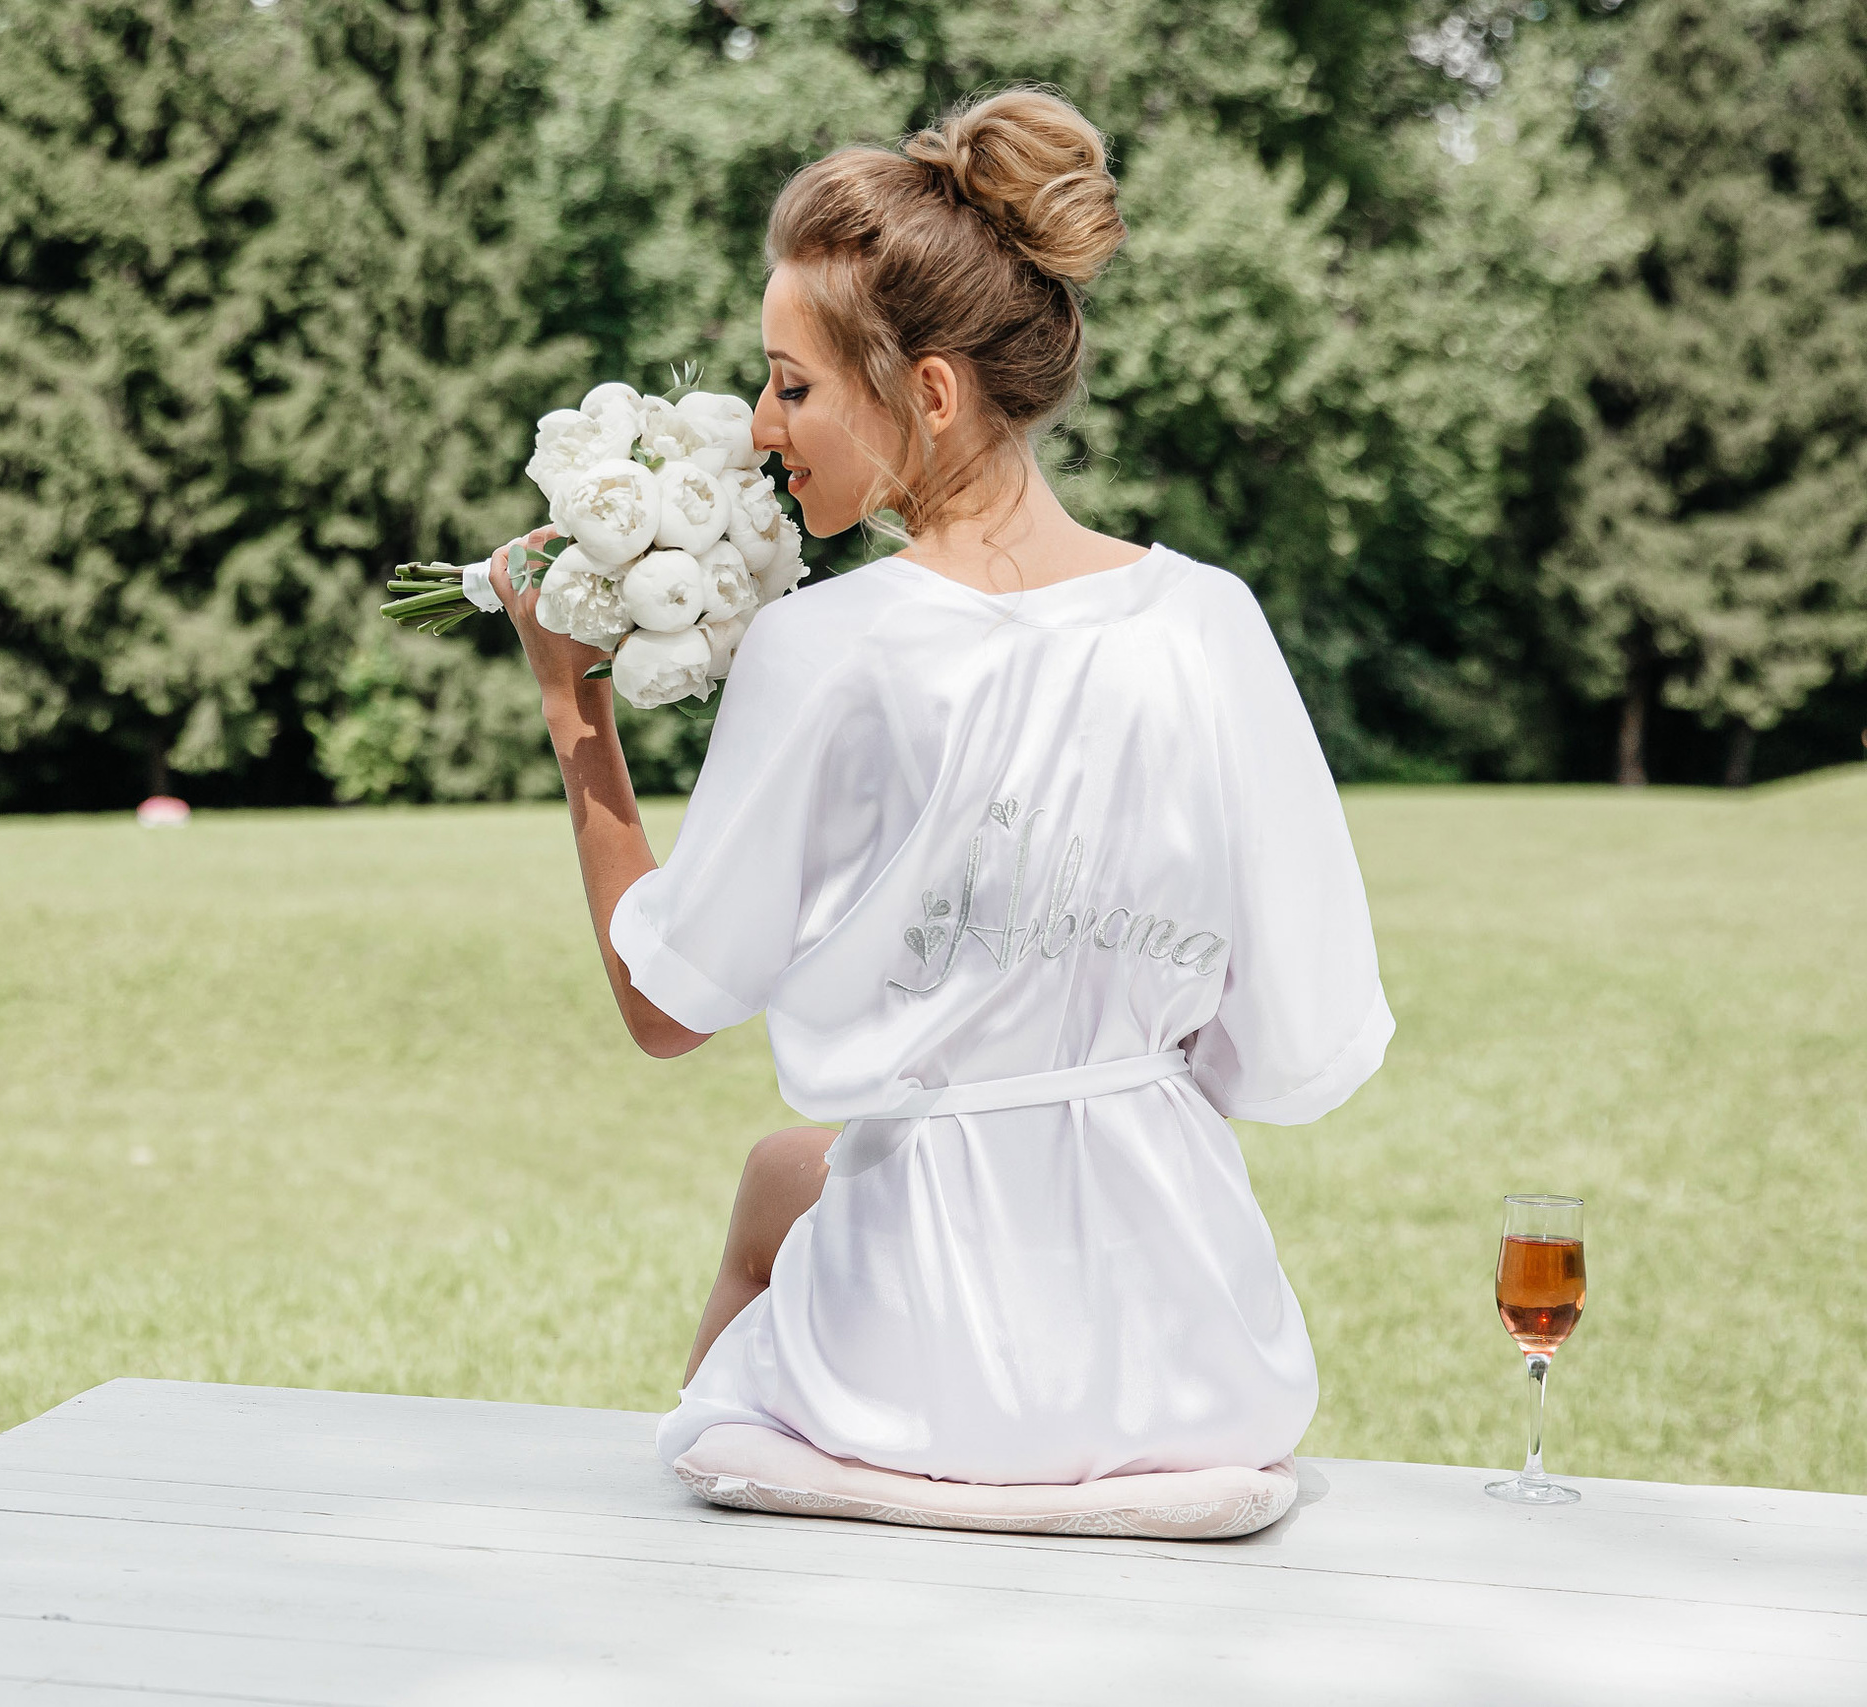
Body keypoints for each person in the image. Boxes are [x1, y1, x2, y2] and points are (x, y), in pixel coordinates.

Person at [489, 87, 1391, 1486]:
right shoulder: (1212, 621)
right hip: (1192, 1353)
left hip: (929, 1377)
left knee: (789, 1185)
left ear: (929, 391)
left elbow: (664, 1010)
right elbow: (1284, 1047)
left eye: (793, 385)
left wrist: (574, 707)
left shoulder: (828, 645)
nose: (762, 431)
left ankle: (682, 1578)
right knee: (791, 1172)